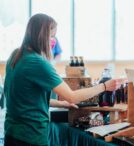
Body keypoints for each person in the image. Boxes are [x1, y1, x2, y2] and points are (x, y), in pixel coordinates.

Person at [3, 13, 125, 146]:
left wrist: (61, 104)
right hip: (31, 137)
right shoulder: (37, 63)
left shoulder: (16, 55)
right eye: (52, 36)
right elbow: (72, 96)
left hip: (12, 134)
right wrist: (104, 87)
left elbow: (26, 99)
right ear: (42, 37)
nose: (53, 41)